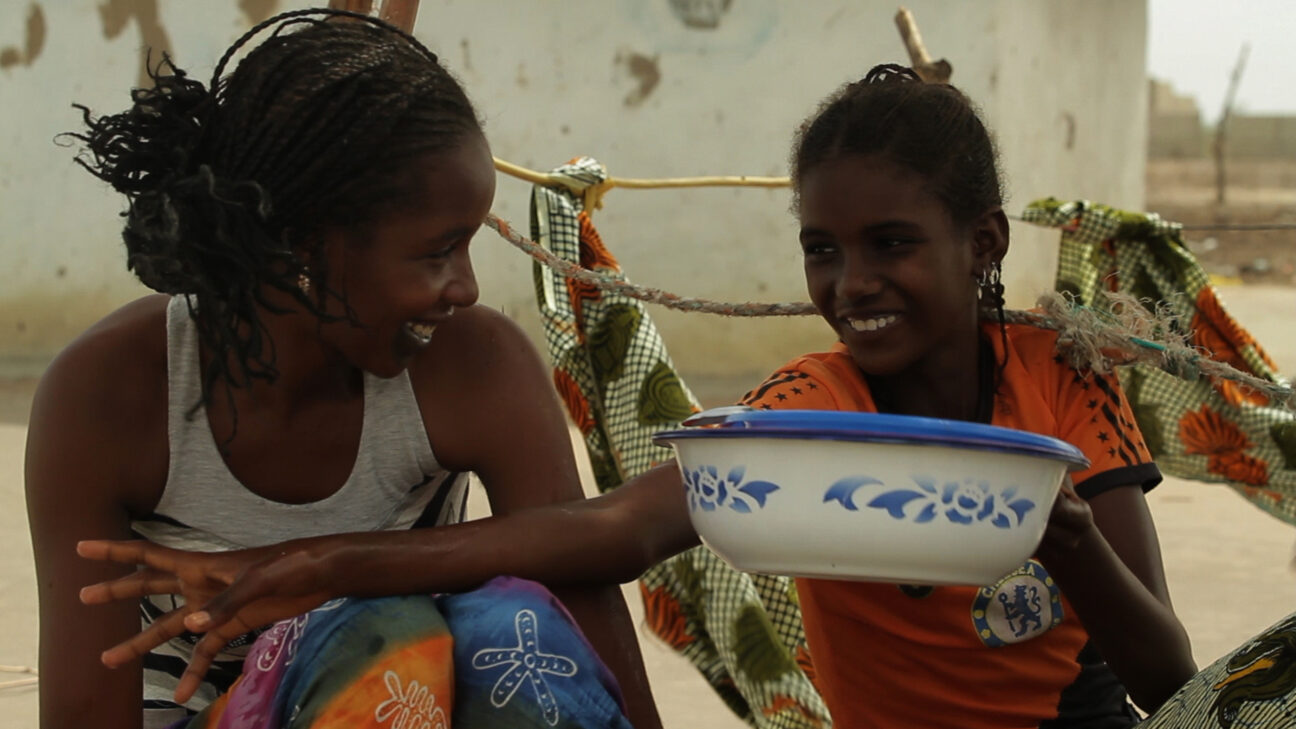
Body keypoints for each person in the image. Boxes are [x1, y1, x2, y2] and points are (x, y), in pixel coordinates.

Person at [75, 65, 1207, 727]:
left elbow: (1168, 677)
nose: (852, 284)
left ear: (986, 243)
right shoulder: (813, 409)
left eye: (893, 244)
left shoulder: (1064, 380)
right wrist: (324, 563)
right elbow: (610, 531)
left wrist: (1068, 543)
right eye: (822, 249)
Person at [28, 9, 662, 729]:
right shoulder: (110, 393)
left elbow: (579, 581)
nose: (466, 288)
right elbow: (85, 711)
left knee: (511, 628)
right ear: (303, 246)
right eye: (438, 252)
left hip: (410, 710)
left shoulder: (474, 364)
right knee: (381, 637)